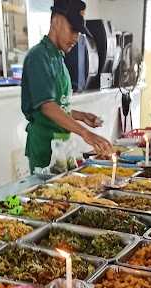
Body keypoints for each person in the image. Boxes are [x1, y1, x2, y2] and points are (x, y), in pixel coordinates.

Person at [21, 0, 113, 172]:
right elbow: (47, 107)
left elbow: (58, 105)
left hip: (62, 146)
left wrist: (80, 115)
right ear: (56, 21)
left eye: (78, 32)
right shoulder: (38, 57)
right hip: (45, 147)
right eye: (72, 30)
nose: (76, 38)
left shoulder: (58, 57)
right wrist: (85, 133)